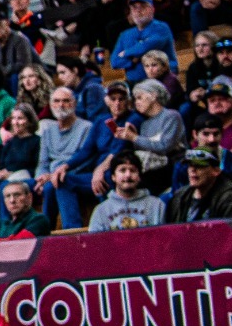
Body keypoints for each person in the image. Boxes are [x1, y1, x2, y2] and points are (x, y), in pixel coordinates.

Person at [36, 88, 101, 230]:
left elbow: (86, 160)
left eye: (66, 101)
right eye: (56, 101)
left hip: (73, 175)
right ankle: (44, 232)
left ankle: (66, 230)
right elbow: (43, 162)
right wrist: (41, 177)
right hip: (50, 177)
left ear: (74, 104)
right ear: (51, 105)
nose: (61, 105)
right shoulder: (48, 130)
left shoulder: (86, 127)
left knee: (55, 184)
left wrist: (53, 175)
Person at [166, 147, 232, 222]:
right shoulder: (179, 197)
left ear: (216, 171)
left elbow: (231, 235)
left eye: (199, 166)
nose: (193, 170)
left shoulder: (230, 199)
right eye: (190, 165)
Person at [87, 154, 167, 230]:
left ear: (139, 177)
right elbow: (95, 243)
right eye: (122, 170)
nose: (128, 175)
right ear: (113, 177)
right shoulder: (101, 211)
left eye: (132, 170)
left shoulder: (157, 205)